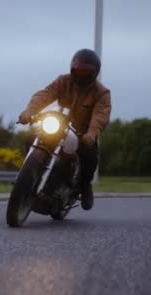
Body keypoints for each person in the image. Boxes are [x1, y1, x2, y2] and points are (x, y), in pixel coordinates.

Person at [18, 49, 112, 210]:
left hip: (83, 133)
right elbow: (45, 94)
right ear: (72, 68)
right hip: (60, 125)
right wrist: (29, 111)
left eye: (85, 71)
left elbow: (100, 116)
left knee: (89, 156)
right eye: (78, 70)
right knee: (30, 137)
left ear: (94, 73)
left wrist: (91, 134)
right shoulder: (63, 81)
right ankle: (30, 174)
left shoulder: (101, 93)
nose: (81, 74)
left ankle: (84, 186)